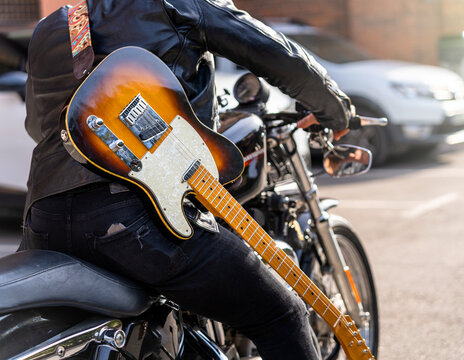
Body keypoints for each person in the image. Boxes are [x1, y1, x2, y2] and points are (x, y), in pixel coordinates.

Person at [20, 1, 353, 359]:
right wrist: (334, 108)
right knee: (282, 313)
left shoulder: (53, 25)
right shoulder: (175, 4)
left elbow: (38, 125)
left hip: (45, 220)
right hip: (133, 222)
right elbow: (274, 52)